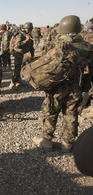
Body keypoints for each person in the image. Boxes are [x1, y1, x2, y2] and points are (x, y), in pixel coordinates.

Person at [33, 15, 93, 153]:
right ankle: (67, 143)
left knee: (50, 111)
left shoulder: (53, 44)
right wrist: (86, 89)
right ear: (78, 28)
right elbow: (90, 71)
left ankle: (46, 140)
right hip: (75, 87)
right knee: (71, 114)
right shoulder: (87, 47)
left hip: (55, 85)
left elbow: (43, 65)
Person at [9, 22, 34, 89]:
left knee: (23, 68)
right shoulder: (20, 35)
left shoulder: (29, 35)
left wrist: (32, 54)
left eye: (29, 29)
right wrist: (26, 40)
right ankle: (12, 83)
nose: (28, 30)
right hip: (18, 53)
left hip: (25, 54)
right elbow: (17, 45)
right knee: (17, 69)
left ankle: (19, 81)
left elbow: (31, 46)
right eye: (27, 28)